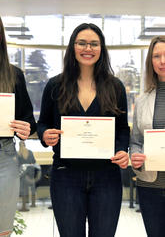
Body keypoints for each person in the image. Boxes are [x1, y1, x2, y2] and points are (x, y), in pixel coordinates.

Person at [37, 23, 130, 237]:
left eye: (94, 44)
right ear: (73, 47)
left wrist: (122, 150)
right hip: (66, 176)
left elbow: (122, 129)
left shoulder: (115, 87)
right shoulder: (55, 85)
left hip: (107, 176)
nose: (88, 49)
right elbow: (42, 124)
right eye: (82, 43)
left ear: (101, 49)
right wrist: (44, 134)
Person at [0, 17, 36, 236]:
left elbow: (29, 121)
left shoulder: (13, 75)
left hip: (3, 157)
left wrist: (24, 129)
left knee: (2, 229)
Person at [130, 35, 165, 237]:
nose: (162, 61)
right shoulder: (142, 100)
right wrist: (136, 157)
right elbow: (136, 140)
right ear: (150, 61)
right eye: (156, 56)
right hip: (149, 186)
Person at [18, 140, 38, 212]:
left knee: (24, 190)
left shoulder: (19, 154)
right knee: (32, 188)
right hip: (31, 173)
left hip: (24, 174)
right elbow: (34, 161)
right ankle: (33, 204)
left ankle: (24, 206)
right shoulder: (30, 152)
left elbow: (18, 165)